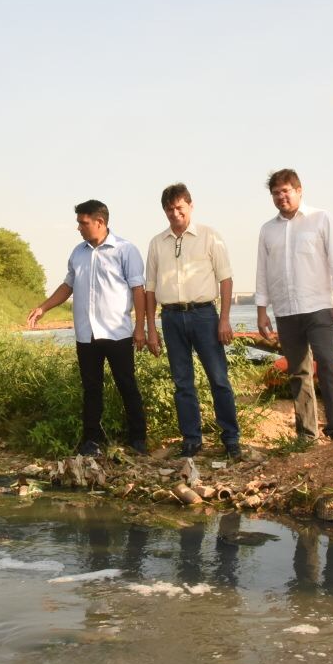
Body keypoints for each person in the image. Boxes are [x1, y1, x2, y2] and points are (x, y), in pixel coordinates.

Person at [27, 200, 148, 456]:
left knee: (126, 384)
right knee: (91, 388)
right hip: (86, 333)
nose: (79, 228)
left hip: (117, 332)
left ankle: (138, 439)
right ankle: (91, 441)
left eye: (83, 223)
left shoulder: (125, 250)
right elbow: (67, 286)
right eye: (79, 223)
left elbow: (138, 289)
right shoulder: (78, 253)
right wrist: (43, 308)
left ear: (100, 222)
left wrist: (140, 328)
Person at [144, 183, 241, 459]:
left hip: (204, 316)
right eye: (170, 209)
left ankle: (231, 438)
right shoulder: (156, 243)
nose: (175, 214)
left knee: (218, 378)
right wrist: (152, 328)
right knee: (182, 382)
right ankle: (191, 438)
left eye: (180, 208)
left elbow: (226, 278)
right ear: (164, 211)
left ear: (190, 205)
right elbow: (149, 289)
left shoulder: (210, 236)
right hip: (171, 318)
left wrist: (224, 320)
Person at [255, 169, 333, 441]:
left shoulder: (321, 219)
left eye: (286, 190)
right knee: (298, 371)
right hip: (286, 311)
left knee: (328, 363)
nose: (281, 196)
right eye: (276, 193)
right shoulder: (267, 230)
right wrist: (262, 311)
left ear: (299, 190)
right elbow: (263, 272)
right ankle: (307, 433)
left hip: (319, 306)